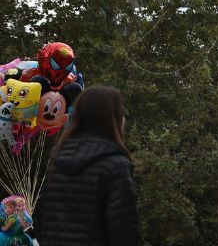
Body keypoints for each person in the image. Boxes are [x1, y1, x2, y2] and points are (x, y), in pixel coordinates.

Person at [34, 85, 140, 246]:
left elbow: (41, 220)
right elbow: (124, 230)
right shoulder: (116, 165)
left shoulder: (59, 161)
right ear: (114, 118)